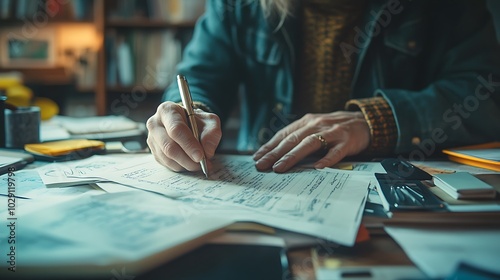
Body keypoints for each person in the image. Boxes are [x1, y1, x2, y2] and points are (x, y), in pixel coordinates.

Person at [146, 0, 500, 174]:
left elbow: (485, 94)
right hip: (264, 182)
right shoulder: (239, 5)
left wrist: (376, 122)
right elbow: (199, 77)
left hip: (400, 188)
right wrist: (187, 115)